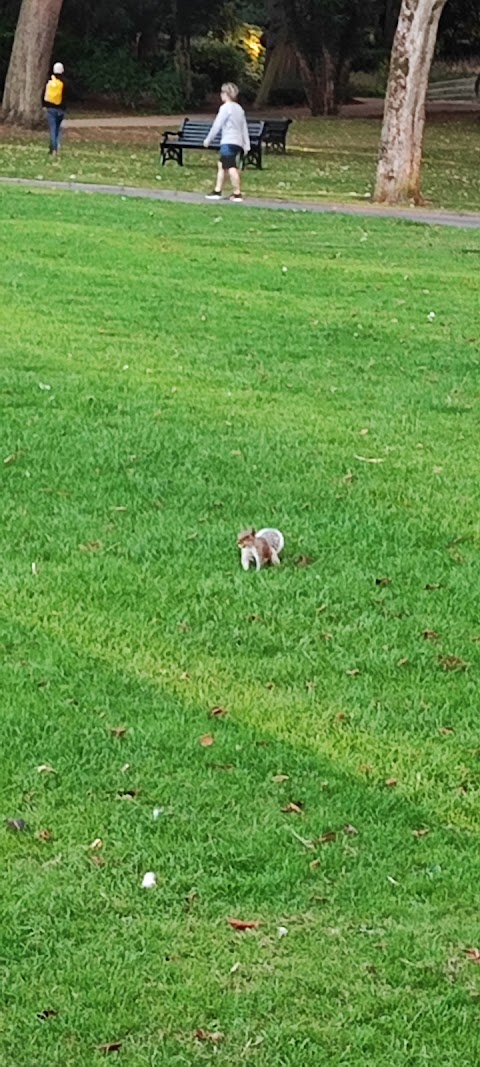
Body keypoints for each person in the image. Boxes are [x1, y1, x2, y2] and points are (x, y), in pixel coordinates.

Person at [203, 83, 250, 203]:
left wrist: (209, 139)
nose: (221, 95)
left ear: (226, 94)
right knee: (221, 165)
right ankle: (217, 190)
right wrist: (246, 144)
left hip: (228, 141)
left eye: (222, 93)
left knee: (230, 167)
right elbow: (244, 127)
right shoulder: (239, 109)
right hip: (237, 142)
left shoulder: (225, 108)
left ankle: (237, 193)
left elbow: (217, 124)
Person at [43, 62, 67, 158]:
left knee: (53, 129)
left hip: (50, 108)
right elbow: (66, 96)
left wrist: (44, 105)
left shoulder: (50, 82)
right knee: (58, 129)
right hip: (61, 109)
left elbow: (44, 95)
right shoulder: (64, 83)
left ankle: (53, 149)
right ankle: (56, 146)